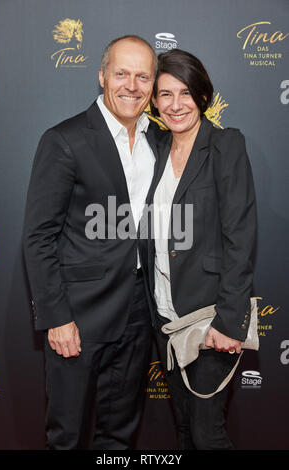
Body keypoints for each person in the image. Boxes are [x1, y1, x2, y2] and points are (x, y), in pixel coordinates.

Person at [22, 35, 160, 450]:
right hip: (78, 316)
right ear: (101, 76)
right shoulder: (64, 139)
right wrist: (56, 318)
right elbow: (38, 236)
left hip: (139, 312)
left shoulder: (161, 139)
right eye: (121, 74)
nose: (131, 86)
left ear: (153, 85)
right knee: (67, 435)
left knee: (119, 434)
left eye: (143, 77)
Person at [144, 49, 257, 450]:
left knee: (209, 434)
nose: (176, 105)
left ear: (203, 96)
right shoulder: (153, 149)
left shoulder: (226, 146)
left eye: (185, 93)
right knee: (186, 429)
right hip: (164, 315)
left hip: (210, 316)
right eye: (165, 94)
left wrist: (230, 320)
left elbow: (240, 238)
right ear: (154, 101)